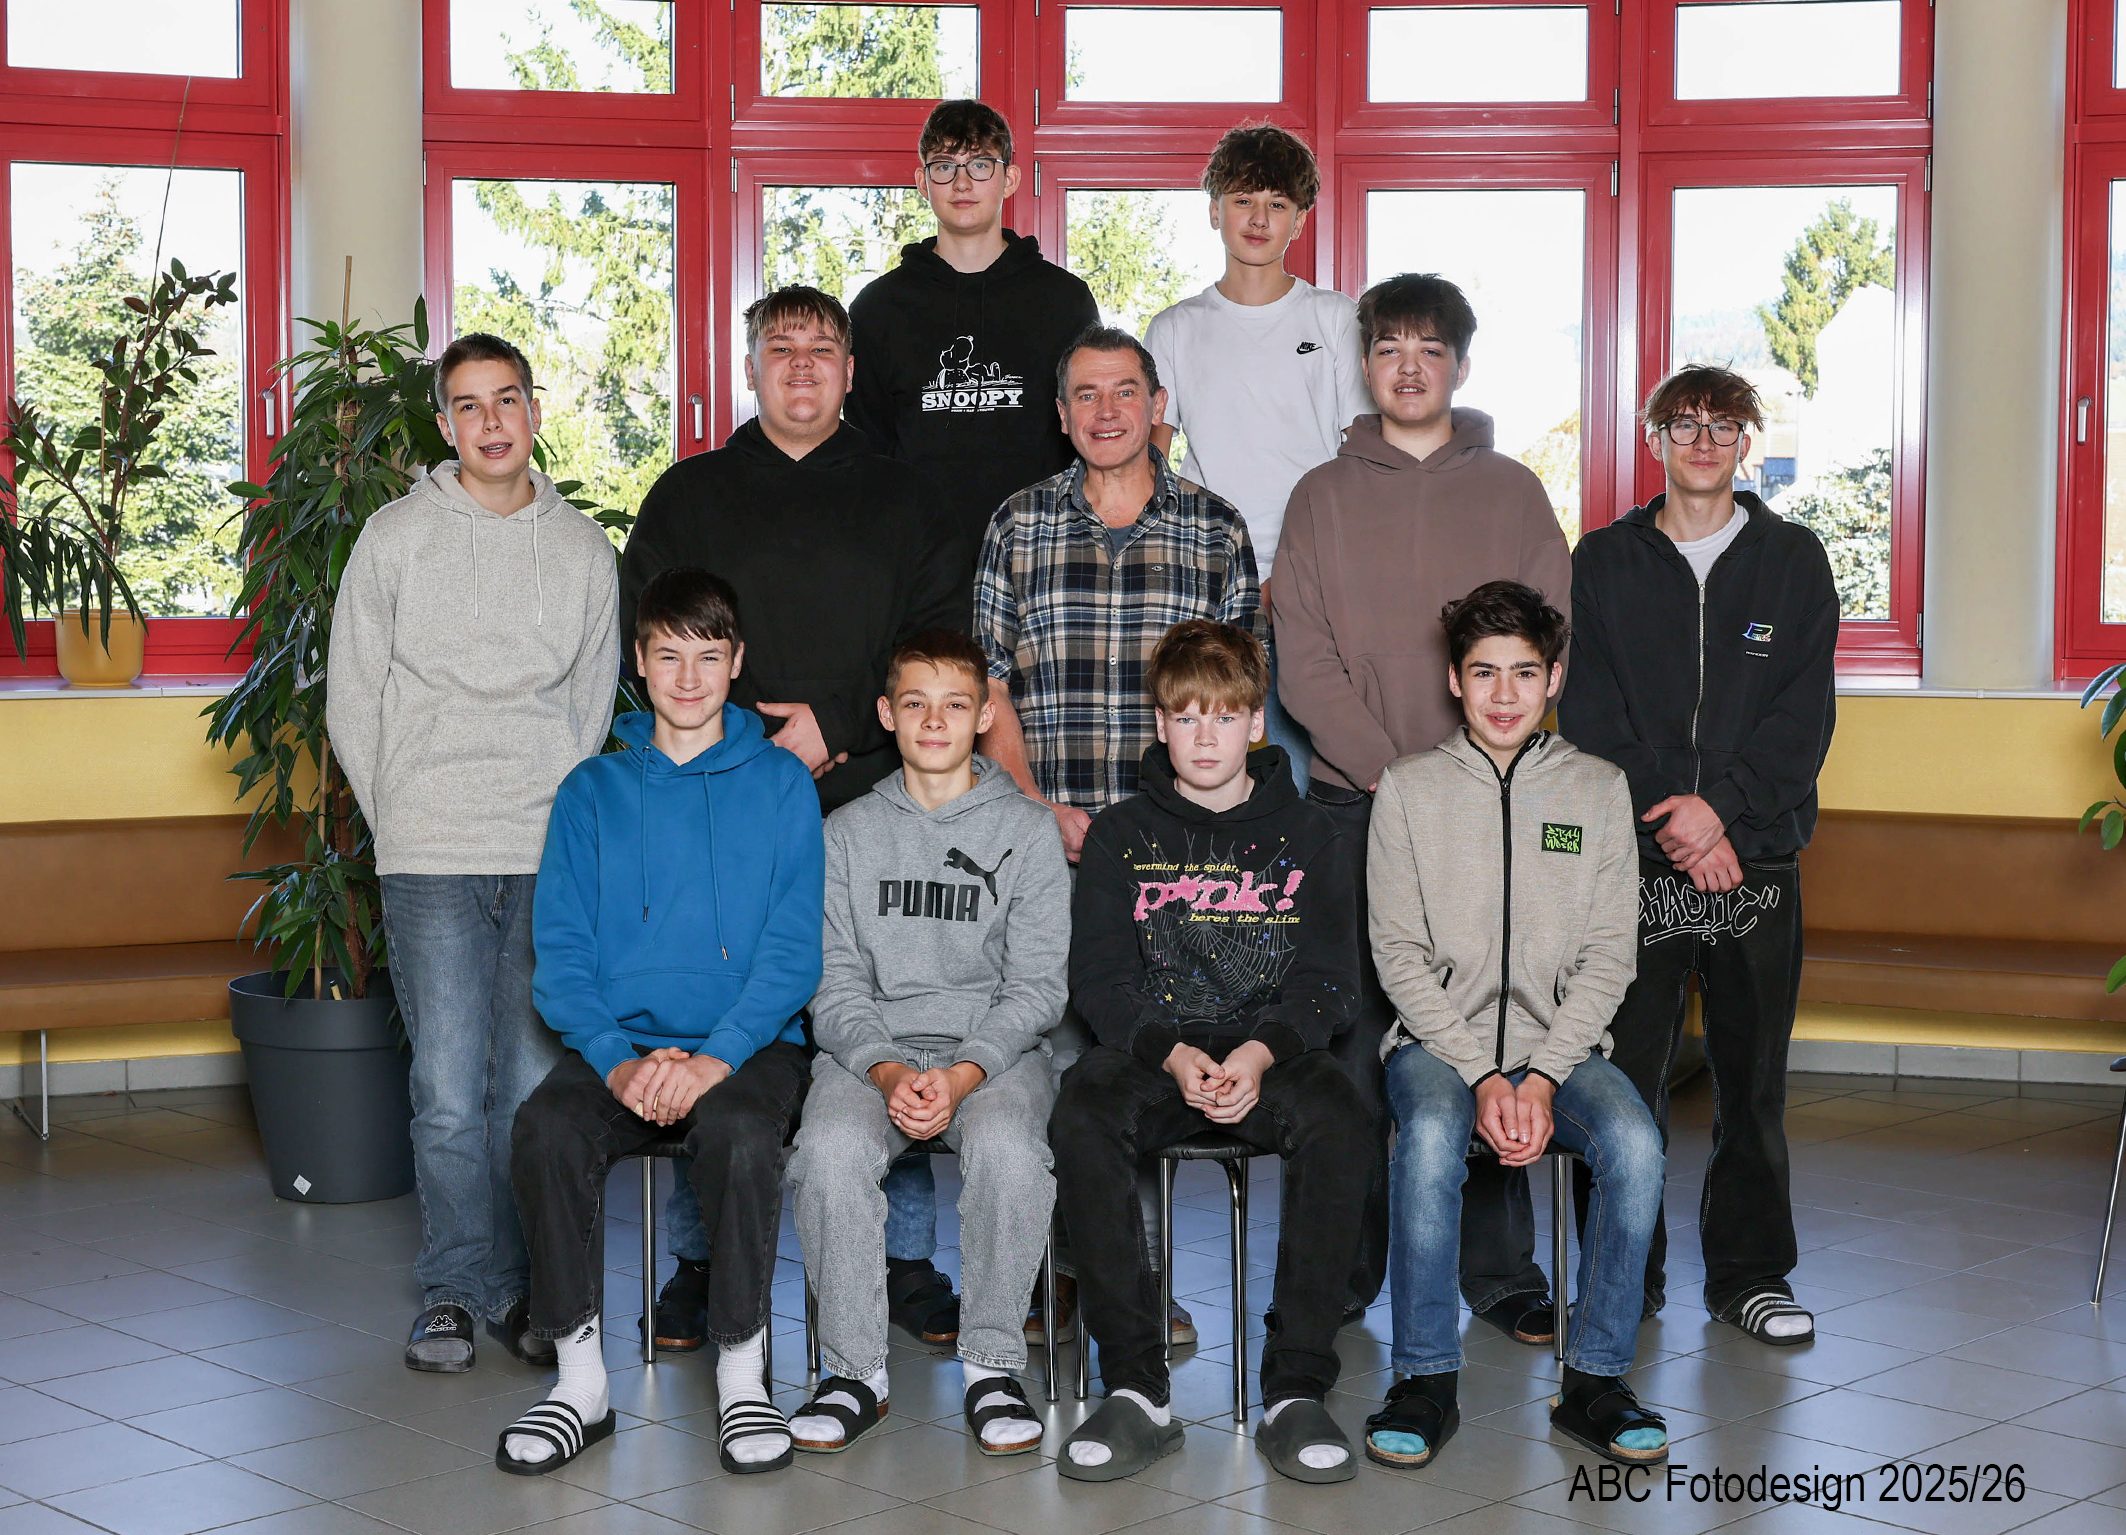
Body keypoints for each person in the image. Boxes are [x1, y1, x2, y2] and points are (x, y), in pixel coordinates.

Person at [619, 284, 964, 1353]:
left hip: (876, 796)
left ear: (851, 371)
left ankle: (903, 1258)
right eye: (781, 348)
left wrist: (838, 725)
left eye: (823, 348)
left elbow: (937, 635)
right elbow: (653, 636)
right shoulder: (690, 492)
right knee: (712, 1013)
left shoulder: (907, 492)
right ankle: (700, 1261)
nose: (803, 365)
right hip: (722, 802)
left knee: (884, 1015)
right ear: (750, 368)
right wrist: (742, 736)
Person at [1274, 271, 1573, 1343]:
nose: (1408, 367)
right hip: (1352, 805)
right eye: (1389, 347)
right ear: (1364, 363)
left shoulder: (1514, 493)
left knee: (1485, 1025)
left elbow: (1544, 643)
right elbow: (1301, 659)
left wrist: (1456, 777)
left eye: (1429, 349)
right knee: (1354, 1039)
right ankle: (1348, 1268)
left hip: (1485, 808)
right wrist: (1395, 775)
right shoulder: (1319, 494)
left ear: (1460, 364)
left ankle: (1497, 1269)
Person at [325, 332, 618, 1375]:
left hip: (543, 854)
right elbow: (352, 697)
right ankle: (455, 1287)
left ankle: (531, 1288)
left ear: (533, 410)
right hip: (430, 849)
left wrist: (555, 821)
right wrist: (402, 813)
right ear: (445, 424)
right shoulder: (395, 538)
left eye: (507, 399)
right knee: (448, 1089)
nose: (491, 422)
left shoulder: (583, 551)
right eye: (468, 405)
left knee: (531, 1092)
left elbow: (590, 707)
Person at [976, 324, 1264, 1347]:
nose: (1106, 411)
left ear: (1156, 407)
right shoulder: (1016, 523)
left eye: (1125, 391)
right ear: (1061, 416)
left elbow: (1237, 696)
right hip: (1042, 840)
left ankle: (1135, 1280)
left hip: (1171, 853)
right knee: (1050, 1061)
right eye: (1086, 395)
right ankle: (1048, 1277)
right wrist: (1031, 808)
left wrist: (1174, 827)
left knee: (1142, 1058)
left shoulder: (1215, 529)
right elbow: (988, 685)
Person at [500, 569, 823, 1478]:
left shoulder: (783, 785)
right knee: (546, 1127)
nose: (688, 678)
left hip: (749, 1045)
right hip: (624, 1046)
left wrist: (715, 1059)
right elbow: (562, 956)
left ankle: (743, 1372)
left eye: (708, 657)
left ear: (738, 662)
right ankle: (579, 1382)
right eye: (668, 655)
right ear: (639, 661)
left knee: (742, 1137)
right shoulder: (591, 790)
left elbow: (793, 952)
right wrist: (616, 1062)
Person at [1050, 619, 1370, 1485]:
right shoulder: (1120, 834)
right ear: (1160, 723)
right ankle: (1137, 1389)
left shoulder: (1311, 833)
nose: (1203, 736)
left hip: (1271, 1049)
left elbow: (1331, 982)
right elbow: (1100, 980)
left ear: (1255, 722)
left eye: (1223, 717)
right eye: (1185, 717)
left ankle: (1295, 1389)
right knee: (1081, 1109)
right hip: (1156, 1049)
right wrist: (1172, 1052)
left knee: (1344, 1113)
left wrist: (1262, 1053)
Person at [1559, 364, 1837, 1346]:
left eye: (1723, 425)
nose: (1704, 441)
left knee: (1750, 1082)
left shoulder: (1793, 560)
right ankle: (1620, 1278)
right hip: (1635, 865)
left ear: (1746, 442)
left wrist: (1719, 813)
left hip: (1754, 864)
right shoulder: (1602, 560)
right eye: (1683, 424)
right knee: (1621, 1077)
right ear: (1653, 441)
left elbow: (1802, 717)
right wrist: (1673, 822)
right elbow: (1589, 715)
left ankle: (1749, 1277)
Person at [1362, 580, 1667, 1472]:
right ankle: (1424, 1377)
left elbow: (1610, 956)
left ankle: (1596, 1380)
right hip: (1436, 1046)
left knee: (1636, 1143)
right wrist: (1483, 1074)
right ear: (1454, 680)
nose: (1504, 694)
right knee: (1429, 1134)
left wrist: (1542, 1074)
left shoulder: (1598, 790)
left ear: (1554, 678)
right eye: (1484, 672)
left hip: (1559, 1051)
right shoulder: (1409, 791)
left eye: (1524, 673)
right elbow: (1397, 955)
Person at [786, 630, 1070, 1457]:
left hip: (995, 1052)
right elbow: (833, 983)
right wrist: (884, 1070)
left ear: (984, 716)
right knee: (829, 1148)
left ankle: (992, 1365)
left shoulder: (1029, 831)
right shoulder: (844, 832)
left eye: (954, 704)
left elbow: (1037, 989)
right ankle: (854, 1373)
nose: (934, 720)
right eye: (915, 703)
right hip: (871, 1049)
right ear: (887, 713)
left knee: (1011, 1149)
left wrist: (963, 1071)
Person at [1145, 121, 1371, 795]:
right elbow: (1151, 466)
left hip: (1314, 585)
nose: (1258, 218)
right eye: (1243, 200)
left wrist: (1294, 577)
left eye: (1277, 204)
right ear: (1215, 210)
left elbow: (1360, 456)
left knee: (1304, 783)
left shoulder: (1335, 318)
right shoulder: (1175, 328)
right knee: (1205, 777)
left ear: (1299, 220)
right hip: (1207, 583)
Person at [847, 97, 1100, 615]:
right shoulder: (878, 308)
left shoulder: (1064, 301)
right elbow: (868, 451)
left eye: (980, 164)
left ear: (1009, 179)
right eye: (944, 166)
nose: (962, 183)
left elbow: (1088, 436)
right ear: (922, 182)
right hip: (918, 570)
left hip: (1043, 564)